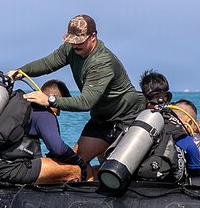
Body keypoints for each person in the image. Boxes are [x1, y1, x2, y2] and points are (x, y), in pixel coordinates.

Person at [8, 15, 144, 166]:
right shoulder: (71, 48)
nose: (74, 46)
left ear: (93, 36)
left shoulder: (101, 62)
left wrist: (49, 100)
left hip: (126, 118)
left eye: (79, 42)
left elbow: (86, 102)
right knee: (75, 163)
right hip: (101, 119)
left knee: (113, 169)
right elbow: (47, 63)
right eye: (71, 41)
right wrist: (21, 71)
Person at [0, 80, 90, 184]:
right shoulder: (44, 113)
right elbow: (58, 148)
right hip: (7, 168)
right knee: (74, 170)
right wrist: (79, 162)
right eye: (59, 107)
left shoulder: (20, 105)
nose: (58, 113)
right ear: (53, 97)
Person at [136, 70, 200, 178]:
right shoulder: (170, 127)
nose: (161, 101)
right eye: (157, 97)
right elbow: (191, 149)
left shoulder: (134, 122)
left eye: (164, 96)